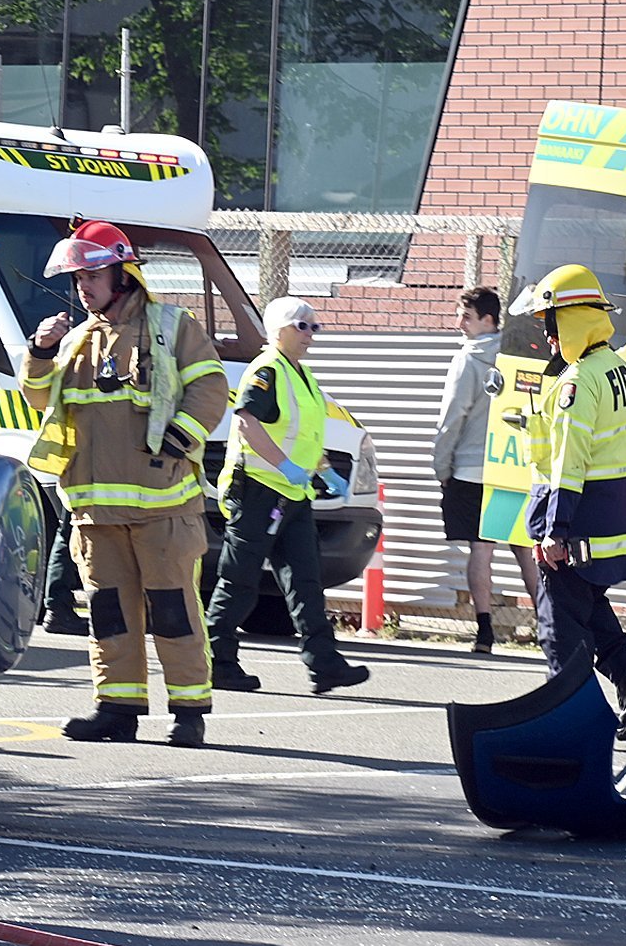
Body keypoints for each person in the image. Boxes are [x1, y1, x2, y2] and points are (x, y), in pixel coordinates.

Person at [19, 220, 229, 746]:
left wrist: (177, 444)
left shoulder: (170, 326)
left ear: (123, 273)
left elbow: (210, 389)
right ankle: (117, 708)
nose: (82, 287)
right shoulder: (74, 341)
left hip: (164, 507)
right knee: (109, 616)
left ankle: (189, 711)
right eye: (77, 278)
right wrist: (40, 352)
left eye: (92, 274)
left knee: (174, 611)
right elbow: (40, 399)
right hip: (95, 513)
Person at [507, 264, 626, 738]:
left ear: (572, 320)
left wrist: (554, 531)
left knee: (558, 631)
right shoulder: (618, 367)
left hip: (575, 528)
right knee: (591, 616)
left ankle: (572, 731)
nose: (547, 336)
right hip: (608, 521)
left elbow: (569, 462)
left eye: (551, 324)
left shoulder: (578, 381)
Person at [206, 296, 371, 696]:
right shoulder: (267, 370)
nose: (311, 334)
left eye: (315, 327)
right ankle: (217, 661)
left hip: (292, 495)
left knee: (306, 580)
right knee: (239, 579)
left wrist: (326, 474)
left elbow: (307, 437)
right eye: (303, 326)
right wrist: (286, 466)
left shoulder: (303, 376)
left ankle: (324, 663)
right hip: (259, 492)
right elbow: (246, 423)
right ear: (278, 329)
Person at [430, 285, 539, 654]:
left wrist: (441, 465)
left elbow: (452, 417)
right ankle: (552, 626)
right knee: (525, 550)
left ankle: (484, 631)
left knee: (481, 550)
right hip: (513, 465)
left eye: (466, 316)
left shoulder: (467, 360)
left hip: (474, 469)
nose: (458, 323)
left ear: (487, 320)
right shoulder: (518, 355)